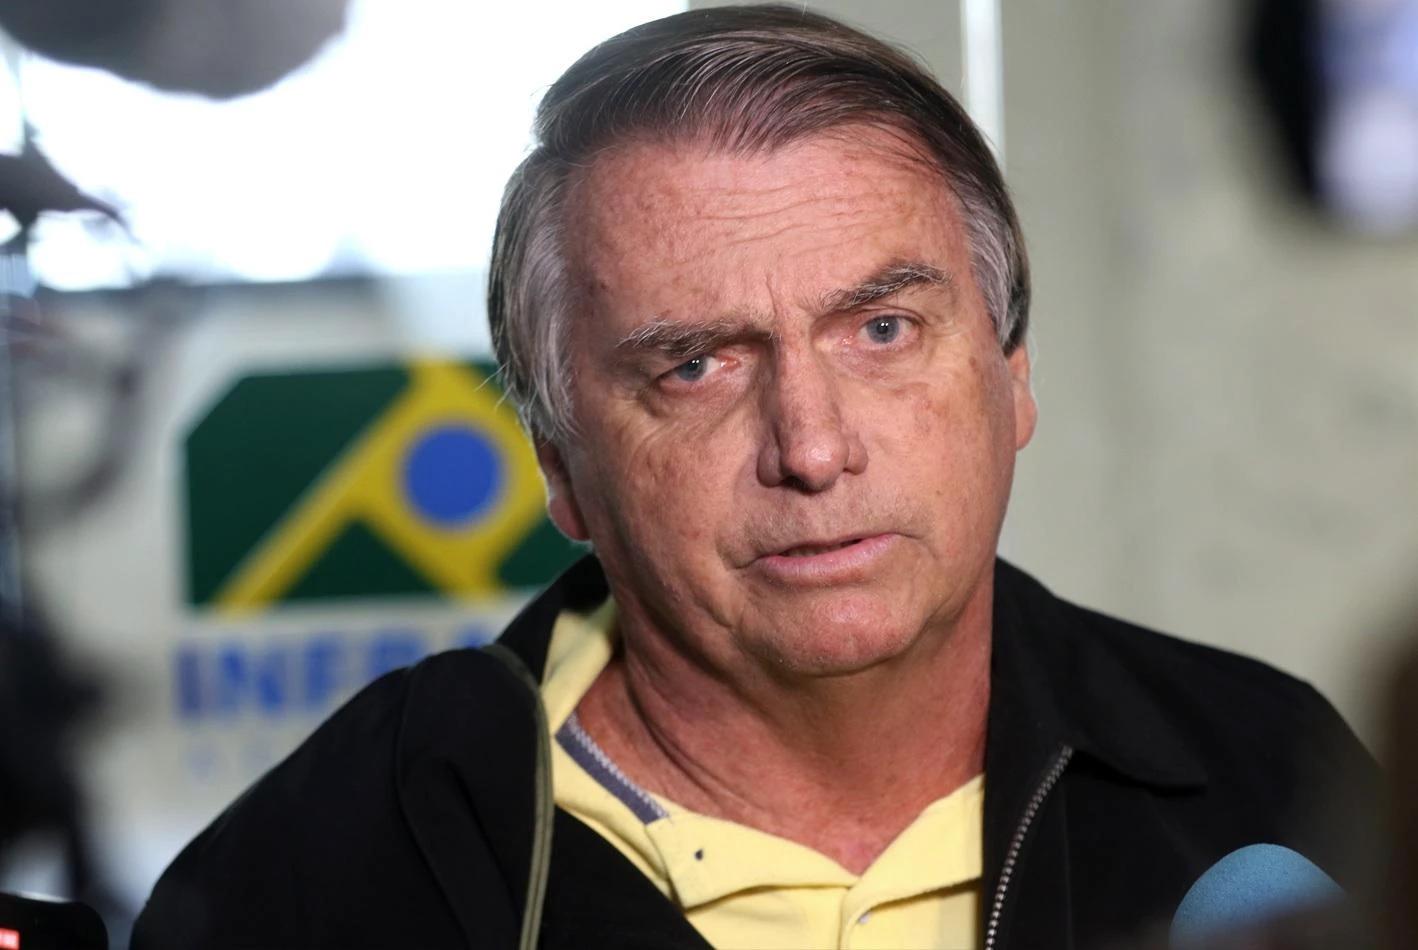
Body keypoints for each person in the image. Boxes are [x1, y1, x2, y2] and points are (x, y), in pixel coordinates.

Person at [131, 6, 1377, 949]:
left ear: (1011, 378)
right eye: (693, 366)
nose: (811, 447)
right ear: (561, 467)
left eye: (881, 329)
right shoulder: (328, 870)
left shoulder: (1267, 772)